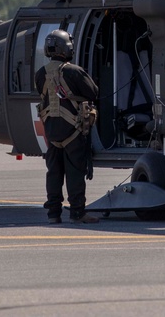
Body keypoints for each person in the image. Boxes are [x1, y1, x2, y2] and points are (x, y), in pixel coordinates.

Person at [35, 29, 100, 224]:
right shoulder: (74, 71)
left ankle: (53, 214)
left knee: (53, 173)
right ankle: (77, 213)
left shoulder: (40, 74)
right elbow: (93, 92)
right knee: (75, 172)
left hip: (52, 132)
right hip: (74, 130)